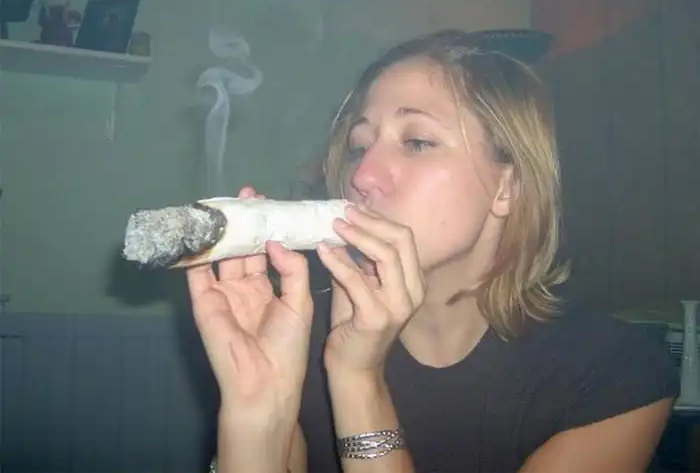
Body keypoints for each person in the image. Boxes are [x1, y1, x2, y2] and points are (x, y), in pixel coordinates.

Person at [186, 30, 680, 473]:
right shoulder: (295, 339)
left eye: (418, 142)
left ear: (507, 187)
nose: (363, 177)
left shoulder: (613, 375)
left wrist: (359, 381)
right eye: (359, 147)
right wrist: (256, 407)